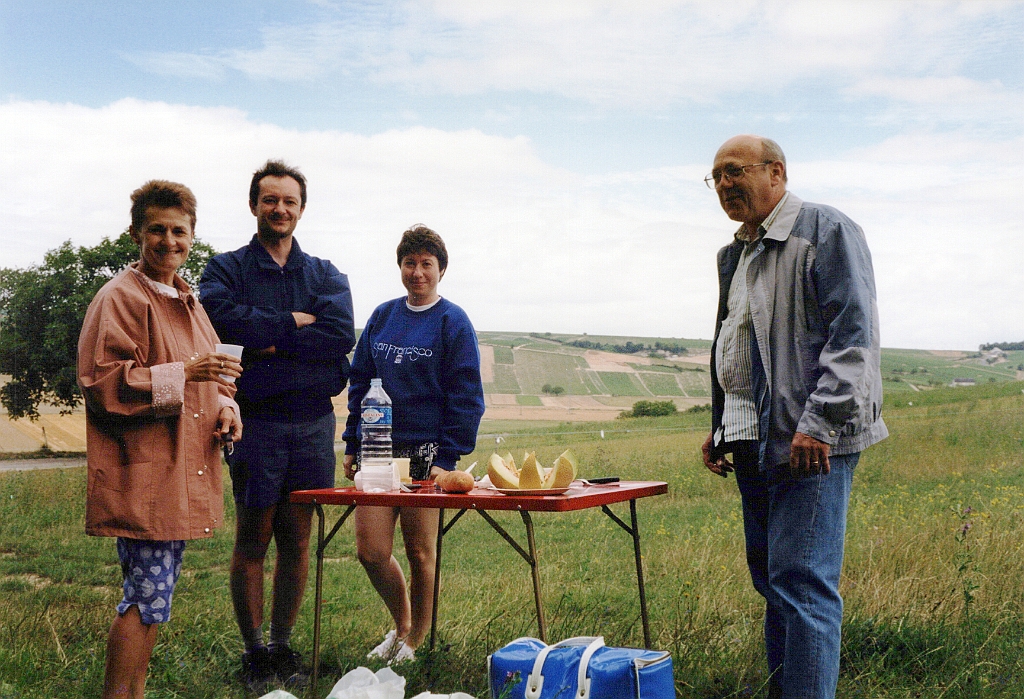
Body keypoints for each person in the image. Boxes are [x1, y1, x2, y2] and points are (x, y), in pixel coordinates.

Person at [699, 135, 888, 699]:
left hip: (811, 440)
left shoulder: (826, 230)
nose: (725, 186)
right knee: (774, 583)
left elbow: (854, 335)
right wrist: (721, 423)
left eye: (735, 171)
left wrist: (821, 422)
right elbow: (736, 342)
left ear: (776, 172)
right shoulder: (732, 253)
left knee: (803, 585)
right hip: (752, 437)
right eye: (716, 177)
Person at [78, 180, 243, 699]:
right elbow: (104, 384)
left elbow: (215, 374)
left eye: (179, 231)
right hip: (147, 474)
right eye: (157, 230)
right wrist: (186, 371)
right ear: (135, 233)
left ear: (193, 237)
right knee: (146, 599)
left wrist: (228, 409)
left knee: (155, 599)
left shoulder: (188, 298)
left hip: (180, 471)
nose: (168, 241)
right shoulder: (121, 297)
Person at [199, 160, 356, 692]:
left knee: (297, 540)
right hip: (256, 423)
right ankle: (253, 651)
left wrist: (262, 345)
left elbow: (338, 336)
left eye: (289, 201)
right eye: (270, 200)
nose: (280, 209)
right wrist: (293, 323)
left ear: (302, 209)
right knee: (253, 538)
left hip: (314, 424)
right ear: (254, 205)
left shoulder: (327, 275)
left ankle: (284, 646)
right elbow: (221, 323)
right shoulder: (225, 269)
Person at [342, 225, 485, 664]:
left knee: (421, 549)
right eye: (410, 263)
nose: (417, 272)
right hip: (378, 449)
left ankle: (417, 639)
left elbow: (466, 395)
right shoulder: (383, 316)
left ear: (441, 269)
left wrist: (447, 458)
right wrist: (352, 441)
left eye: (427, 264)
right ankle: (401, 624)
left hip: (427, 453)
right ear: (400, 267)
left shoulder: (453, 320)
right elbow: (360, 380)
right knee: (371, 551)